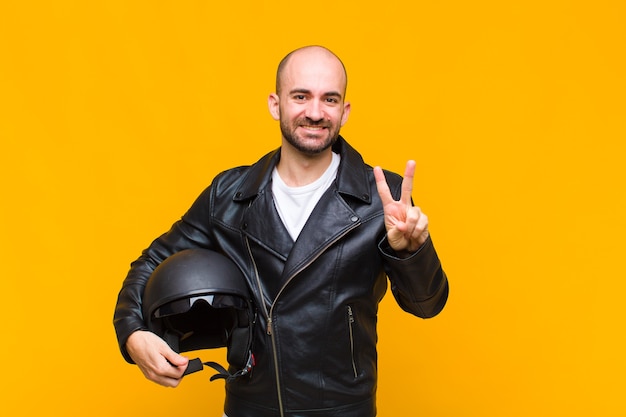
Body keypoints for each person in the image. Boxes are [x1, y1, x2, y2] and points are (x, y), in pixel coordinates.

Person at [114, 45, 449, 417]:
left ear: (345, 111)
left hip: (343, 410)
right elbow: (151, 262)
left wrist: (410, 251)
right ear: (275, 104)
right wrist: (133, 333)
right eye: (301, 96)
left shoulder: (381, 199)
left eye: (330, 99)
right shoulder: (228, 195)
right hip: (248, 408)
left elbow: (427, 304)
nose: (315, 112)